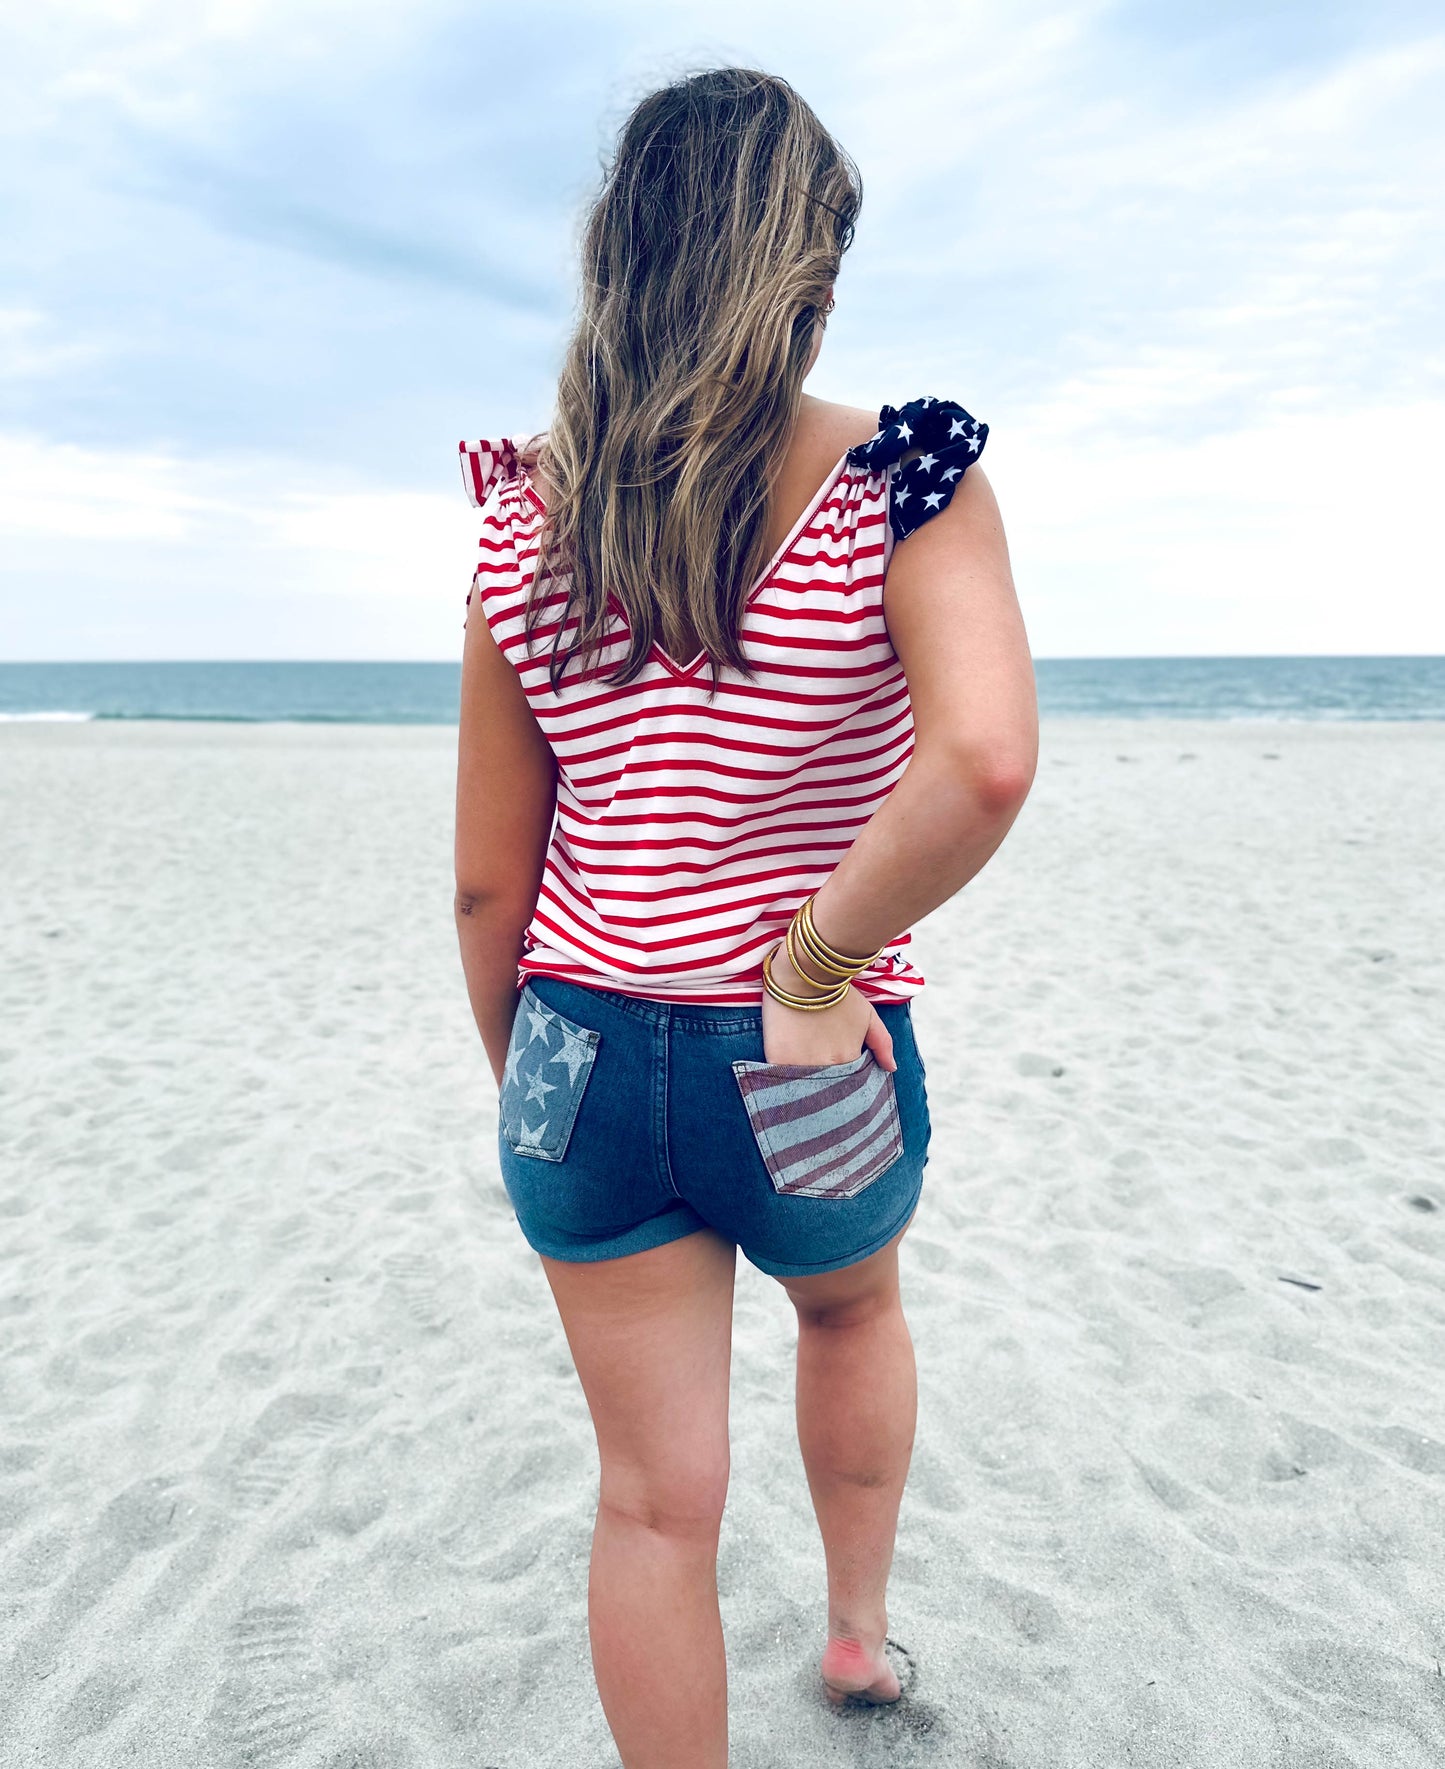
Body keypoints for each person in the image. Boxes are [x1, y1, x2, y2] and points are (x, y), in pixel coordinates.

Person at [454, 66, 1036, 1769]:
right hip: (804, 1043)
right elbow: (984, 761)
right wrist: (811, 959)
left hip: (573, 1039)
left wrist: (532, 1067)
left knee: (650, 1505)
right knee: (849, 1310)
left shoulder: (523, 512)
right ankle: (856, 1640)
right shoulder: (893, 480)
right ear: (805, 274)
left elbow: (492, 877)